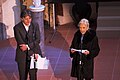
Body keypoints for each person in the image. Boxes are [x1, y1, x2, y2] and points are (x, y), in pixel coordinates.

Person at [13, 9, 42, 80]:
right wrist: (29, 48)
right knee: (23, 77)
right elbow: (21, 44)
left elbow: (38, 39)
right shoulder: (17, 28)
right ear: (22, 18)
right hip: (22, 55)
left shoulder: (35, 25)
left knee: (33, 76)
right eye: (26, 19)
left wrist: (29, 48)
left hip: (34, 54)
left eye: (30, 18)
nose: (28, 21)